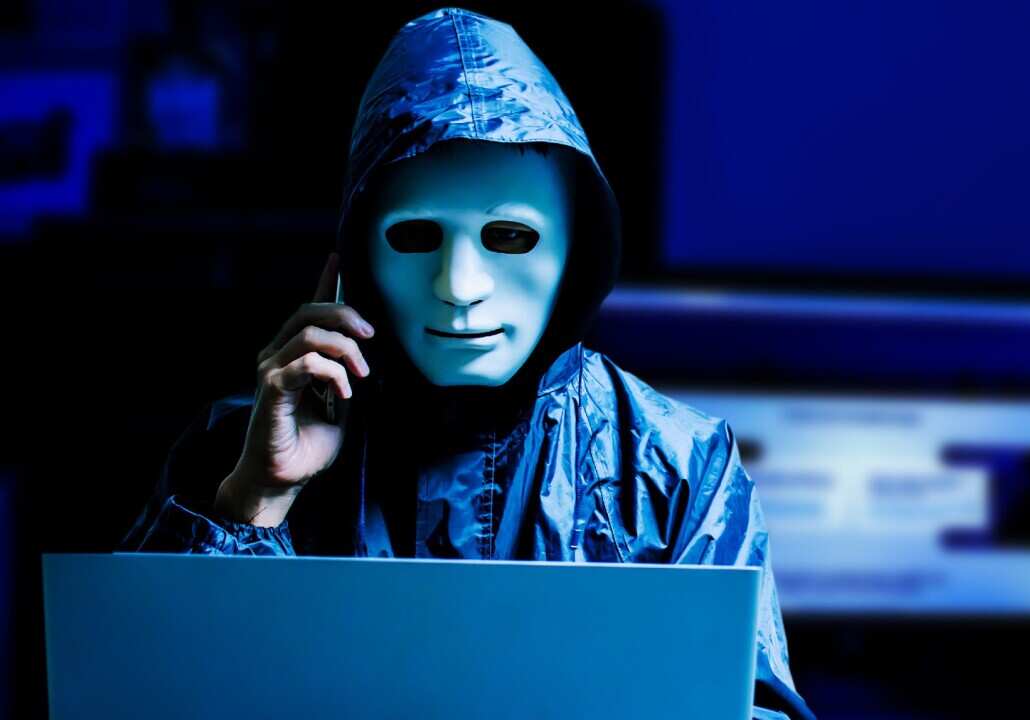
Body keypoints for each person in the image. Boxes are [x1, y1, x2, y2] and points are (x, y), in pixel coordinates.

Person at [120, 8, 816, 720]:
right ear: (355, 259)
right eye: (416, 235)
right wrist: (253, 503)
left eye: (508, 235)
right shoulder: (234, 454)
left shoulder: (677, 469)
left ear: (577, 251)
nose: (458, 286)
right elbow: (135, 696)